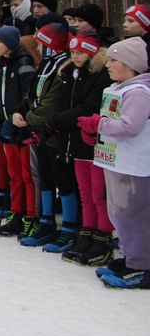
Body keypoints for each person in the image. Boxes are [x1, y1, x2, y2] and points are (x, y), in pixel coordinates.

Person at [79, 37, 150, 288]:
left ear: (130, 65)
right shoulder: (119, 88)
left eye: (113, 60)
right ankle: (131, 257)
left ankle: (141, 266)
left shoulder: (139, 92)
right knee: (119, 213)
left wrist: (98, 124)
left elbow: (131, 125)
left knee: (134, 215)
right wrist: (97, 133)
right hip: (117, 160)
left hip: (135, 164)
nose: (107, 64)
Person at [11, 22, 75, 247]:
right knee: (45, 178)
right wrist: (20, 112)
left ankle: (70, 226)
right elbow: (32, 95)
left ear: (51, 44)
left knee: (63, 180)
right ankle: (46, 221)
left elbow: (51, 104)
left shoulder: (63, 67)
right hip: (40, 132)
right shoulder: (46, 64)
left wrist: (29, 119)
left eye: (41, 41)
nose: (37, 45)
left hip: (55, 133)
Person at [52, 33, 111, 262]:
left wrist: (60, 119)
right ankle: (87, 233)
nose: (75, 56)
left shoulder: (99, 75)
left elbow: (91, 106)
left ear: (92, 53)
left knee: (99, 194)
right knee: (85, 193)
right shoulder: (70, 74)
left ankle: (102, 237)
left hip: (92, 141)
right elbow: (63, 102)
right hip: (74, 141)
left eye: (80, 52)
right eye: (73, 52)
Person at [0, 25, 40, 238]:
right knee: (14, 174)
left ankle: (32, 215)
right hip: (6, 125)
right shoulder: (0, 64)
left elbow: (28, 97)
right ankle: (16, 212)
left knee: (26, 173)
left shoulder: (23, 63)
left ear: (10, 43)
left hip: (22, 127)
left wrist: (16, 119)